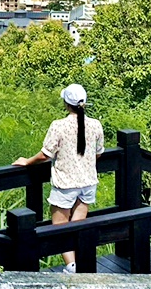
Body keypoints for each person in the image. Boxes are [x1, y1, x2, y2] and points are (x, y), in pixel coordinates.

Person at [12, 83, 105, 274]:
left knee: (59, 227)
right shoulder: (95, 124)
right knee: (77, 225)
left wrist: (27, 162)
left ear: (66, 104)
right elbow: (98, 153)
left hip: (66, 184)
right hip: (87, 182)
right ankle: (79, 265)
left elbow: (45, 154)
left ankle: (71, 266)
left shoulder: (59, 126)